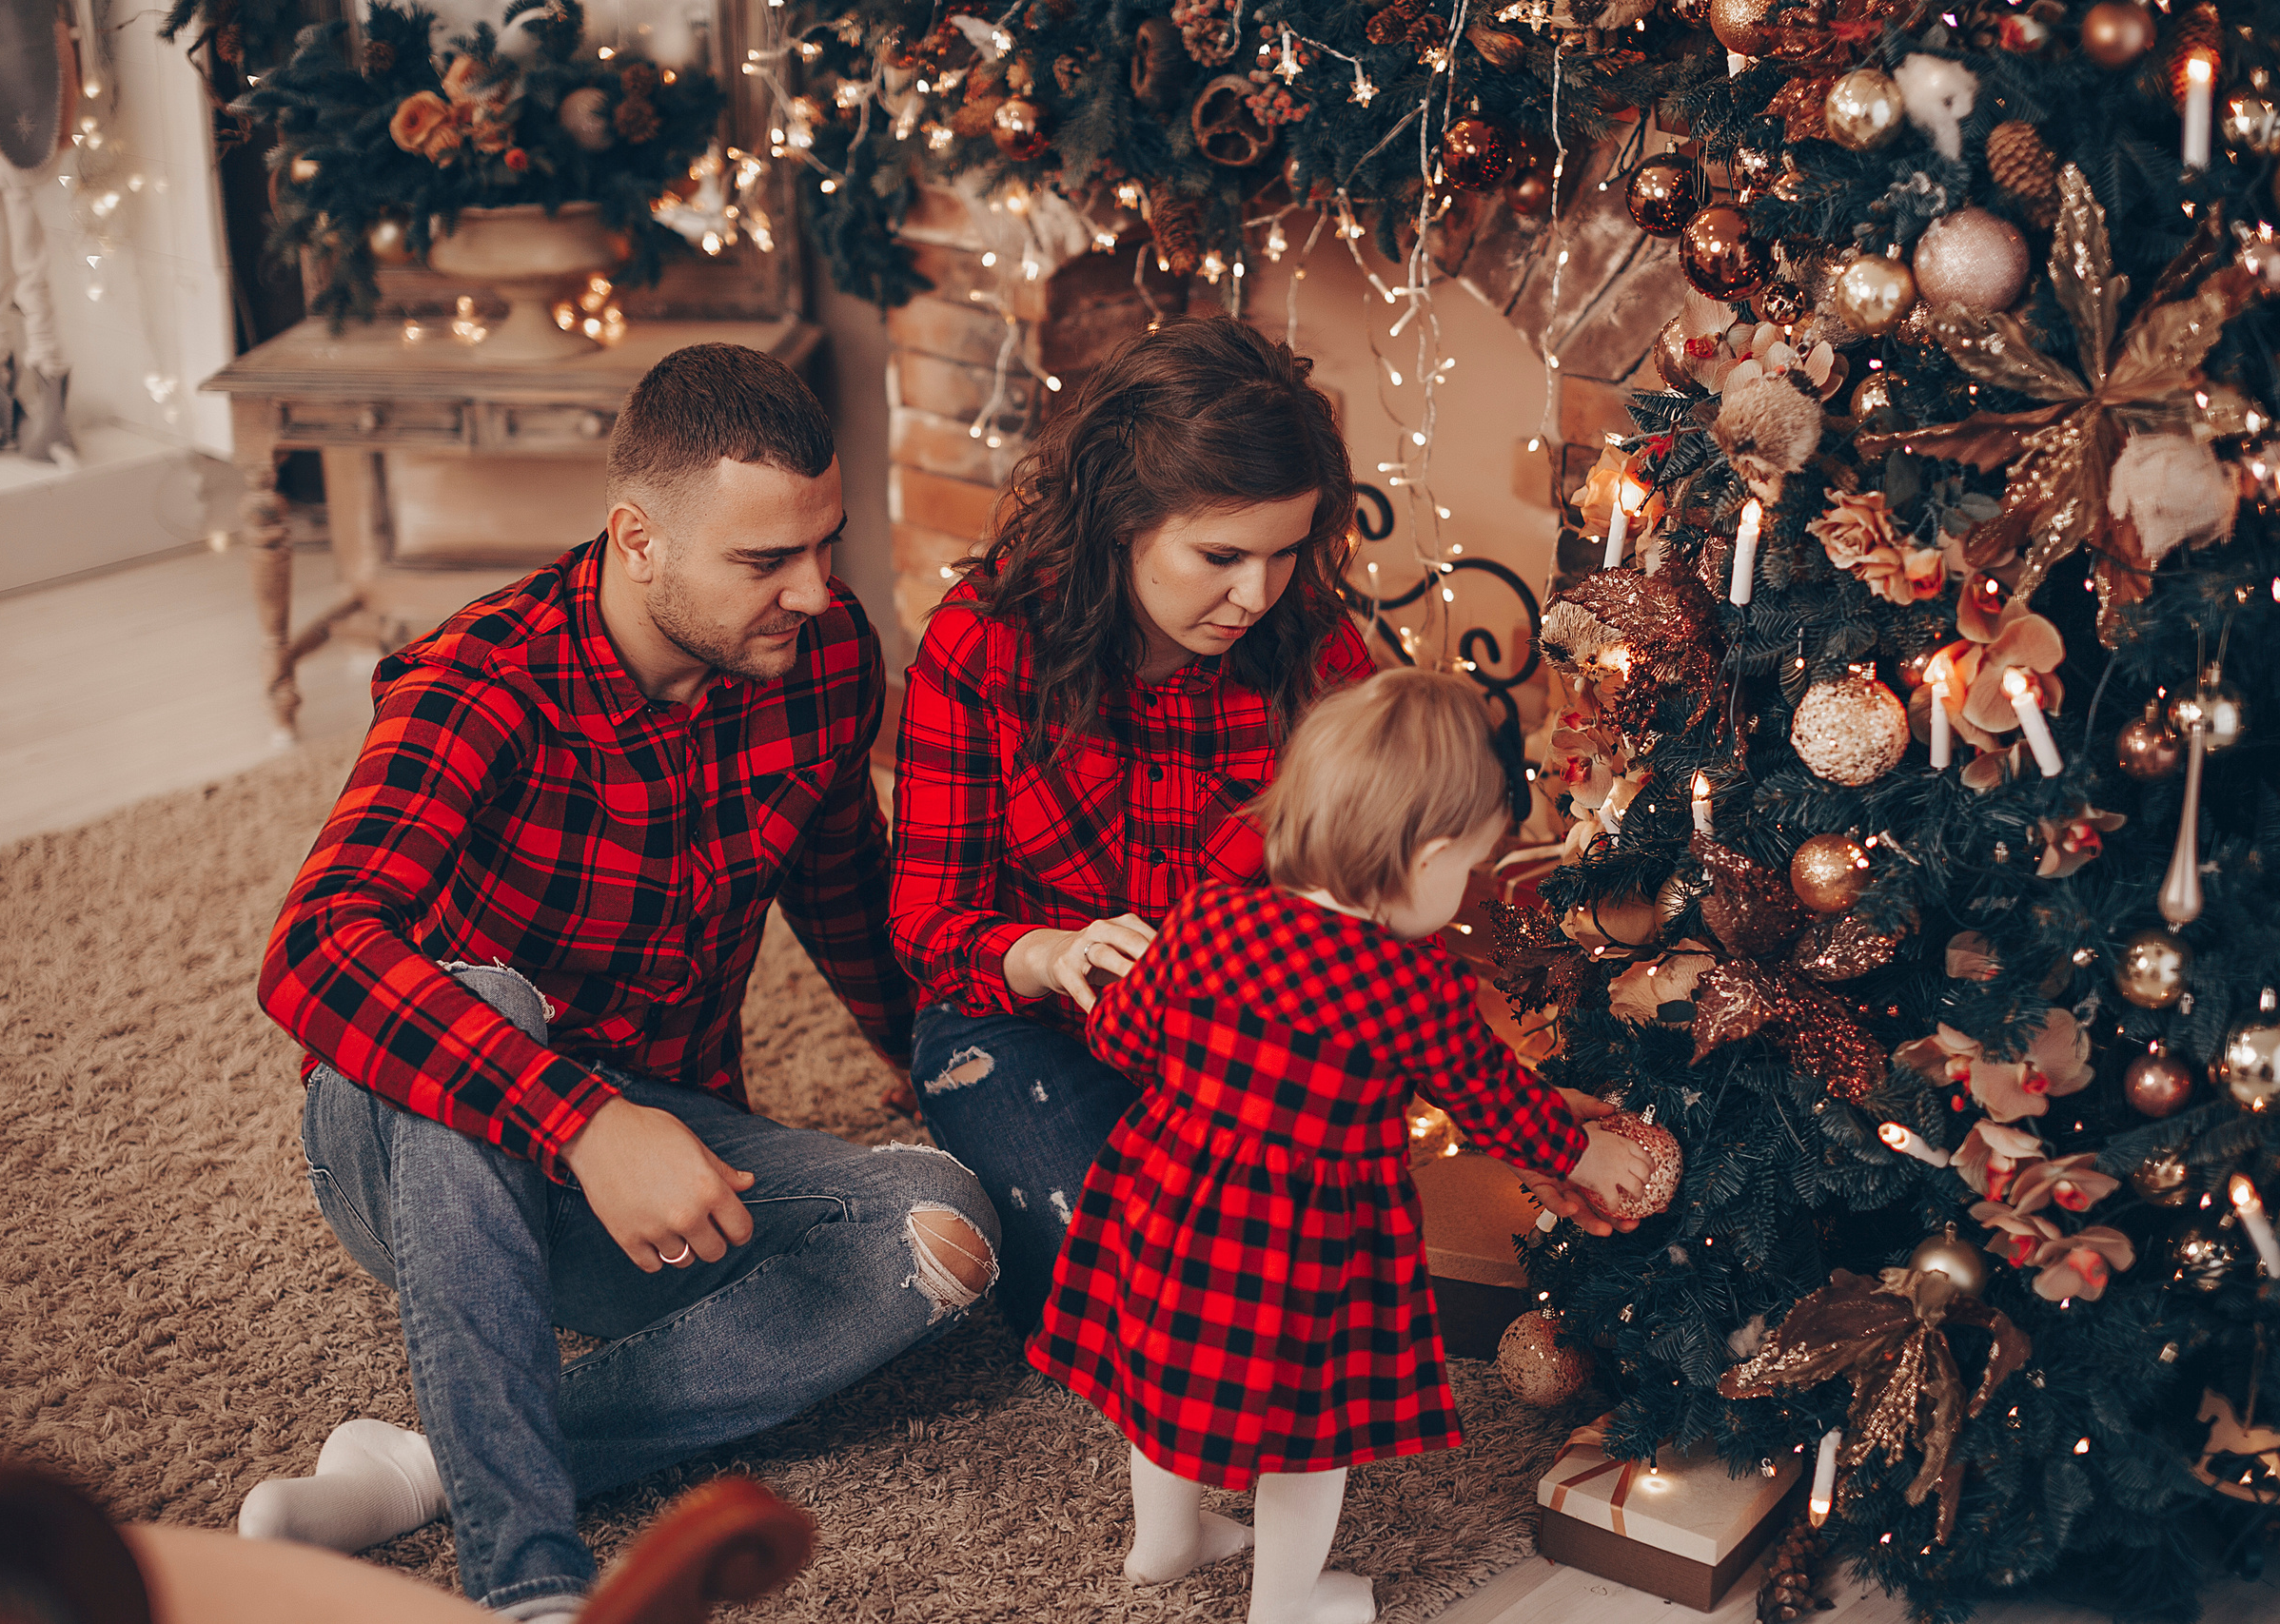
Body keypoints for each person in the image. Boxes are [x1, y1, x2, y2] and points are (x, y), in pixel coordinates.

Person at [246, 343, 1000, 1623]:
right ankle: (531, 1576)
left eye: (826, 545)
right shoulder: (476, 685)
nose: (816, 592)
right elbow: (313, 950)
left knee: (941, 1225)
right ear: (636, 539)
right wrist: (581, 1118)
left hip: (665, 1169)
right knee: (479, 995)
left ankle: (429, 1461)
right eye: (764, 562)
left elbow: (842, 889)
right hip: (428, 1157)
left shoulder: (819, 662)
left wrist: (930, 1059)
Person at [1029, 670, 1661, 1624]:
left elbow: (1124, 1041)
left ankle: (1162, 1545)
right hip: (1303, 1248)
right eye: (1463, 874)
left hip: (1166, 1199)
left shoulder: (1207, 915)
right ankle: (1286, 1604)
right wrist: (1580, 1155)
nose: (1457, 901)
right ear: (1428, 856)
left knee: (1161, 1373)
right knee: (1306, 1436)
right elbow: (1490, 1100)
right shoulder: (1412, 989)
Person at [889, 317, 1385, 1328]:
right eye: (1219, 555)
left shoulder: (1321, 660)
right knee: (1126, 1290)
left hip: (1233, 1040)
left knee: (1297, 1288)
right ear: (1121, 519)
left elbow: (1356, 912)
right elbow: (926, 924)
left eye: (1285, 553)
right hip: (1012, 1024)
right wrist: (1048, 952)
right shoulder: (981, 645)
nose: (1256, 594)